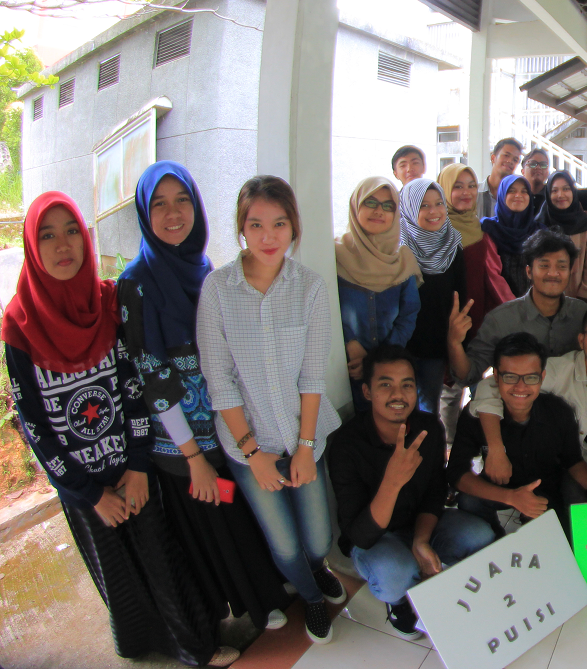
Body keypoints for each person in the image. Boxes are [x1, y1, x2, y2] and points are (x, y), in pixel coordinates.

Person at [6, 192, 239, 667]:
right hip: (83, 487)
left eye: (72, 231)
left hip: (132, 467)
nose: (63, 245)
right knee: (118, 575)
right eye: (47, 235)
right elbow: (34, 428)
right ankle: (140, 646)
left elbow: (134, 386)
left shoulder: (106, 302)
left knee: (162, 558)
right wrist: (89, 494)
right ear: (32, 245)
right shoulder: (18, 326)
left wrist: (137, 467)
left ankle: (198, 646)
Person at [120, 162, 290, 636]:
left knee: (243, 515)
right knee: (216, 524)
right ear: (144, 214)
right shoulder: (136, 282)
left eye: (183, 200)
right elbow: (152, 377)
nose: (173, 213)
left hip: (226, 427)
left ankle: (270, 589)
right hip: (183, 444)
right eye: (159, 204)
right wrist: (193, 457)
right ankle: (256, 607)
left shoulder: (204, 270)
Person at [197, 176, 346, 646]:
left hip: (304, 435)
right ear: (241, 228)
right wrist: (252, 454)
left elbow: (312, 376)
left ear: (293, 226)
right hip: (250, 446)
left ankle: (316, 569)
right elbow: (219, 381)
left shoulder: (310, 287)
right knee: (283, 545)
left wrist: (304, 448)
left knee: (317, 540)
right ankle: (312, 597)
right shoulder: (218, 289)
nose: (268, 236)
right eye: (256, 224)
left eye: (279, 224)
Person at [328, 345, 497, 641]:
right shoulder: (346, 445)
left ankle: (434, 572)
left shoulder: (427, 427)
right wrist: (392, 482)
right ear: (367, 392)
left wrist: (421, 540)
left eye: (407, 385)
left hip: (419, 523)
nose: (398, 395)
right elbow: (361, 536)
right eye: (386, 385)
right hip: (376, 539)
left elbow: (435, 492)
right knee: (394, 573)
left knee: (480, 535)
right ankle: (399, 602)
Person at [448, 333, 587, 539]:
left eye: (531, 377)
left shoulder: (559, 411)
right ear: (496, 376)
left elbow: (573, 460)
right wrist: (511, 497)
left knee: (560, 540)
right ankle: (494, 539)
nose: (520, 386)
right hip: (499, 488)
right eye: (510, 377)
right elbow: (457, 472)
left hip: (545, 491)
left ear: (542, 377)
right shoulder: (476, 415)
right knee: (469, 501)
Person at [471, 303, 587, 495]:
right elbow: (490, 386)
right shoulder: (557, 371)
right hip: (566, 468)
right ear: (581, 340)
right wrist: (496, 449)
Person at [446, 230, 587, 396]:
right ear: (529, 272)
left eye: (561, 266)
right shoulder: (500, 319)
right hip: (516, 404)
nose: (552, 273)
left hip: (572, 403)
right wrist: (454, 343)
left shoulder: (583, 314)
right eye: (544, 265)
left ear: (570, 271)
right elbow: (468, 376)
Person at [336, 176, 422, 411]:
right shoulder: (335, 257)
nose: (379, 211)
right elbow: (324, 310)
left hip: (388, 372)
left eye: (388, 206)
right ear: (356, 206)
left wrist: (376, 360)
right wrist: (349, 343)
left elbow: (408, 316)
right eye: (370, 202)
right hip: (342, 369)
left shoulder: (403, 260)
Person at [397, 178, 466, 415]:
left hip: (435, 346)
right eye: (423, 205)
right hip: (400, 346)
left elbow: (460, 296)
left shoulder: (452, 243)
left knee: (428, 411)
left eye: (438, 203)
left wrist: (456, 344)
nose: (434, 211)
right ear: (408, 208)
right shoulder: (398, 247)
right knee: (400, 409)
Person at [439, 163, 515, 332]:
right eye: (458, 186)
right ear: (444, 189)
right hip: (443, 319)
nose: (467, 192)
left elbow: (493, 278)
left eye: (472, 186)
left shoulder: (479, 229)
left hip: (477, 315)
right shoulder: (436, 233)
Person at [538, 170, 587, 302]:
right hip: (543, 299)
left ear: (573, 191)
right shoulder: (539, 225)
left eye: (566, 189)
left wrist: (583, 302)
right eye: (554, 190)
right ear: (548, 194)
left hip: (576, 301)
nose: (560, 195)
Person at [482, 174, 542, 299]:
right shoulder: (489, 229)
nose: (518, 195)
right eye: (512, 191)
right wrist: (511, 305)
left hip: (534, 304)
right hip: (497, 302)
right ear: (502, 195)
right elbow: (491, 274)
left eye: (524, 191)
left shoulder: (539, 233)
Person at [478, 137, 524, 217]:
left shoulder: (516, 198)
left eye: (515, 160)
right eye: (506, 155)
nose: (510, 161)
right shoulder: (475, 193)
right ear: (493, 158)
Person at [521, 148, 550, 216]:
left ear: (547, 172)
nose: (538, 167)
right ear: (523, 171)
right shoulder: (516, 195)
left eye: (543, 165)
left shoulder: (552, 197)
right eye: (533, 164)